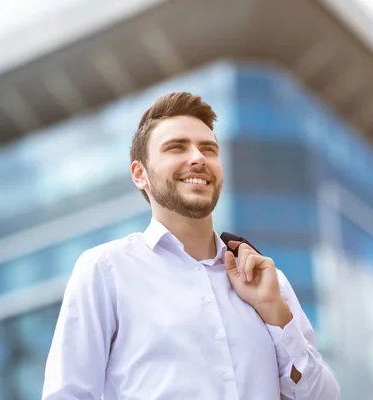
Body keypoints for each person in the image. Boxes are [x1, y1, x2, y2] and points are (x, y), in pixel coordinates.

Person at [42, 92, 341, 399]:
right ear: (140, 174)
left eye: (209, 149)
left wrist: (275, 313)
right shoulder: (106, 270)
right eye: (176, 147)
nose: (198, 158)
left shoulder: (269, 282)